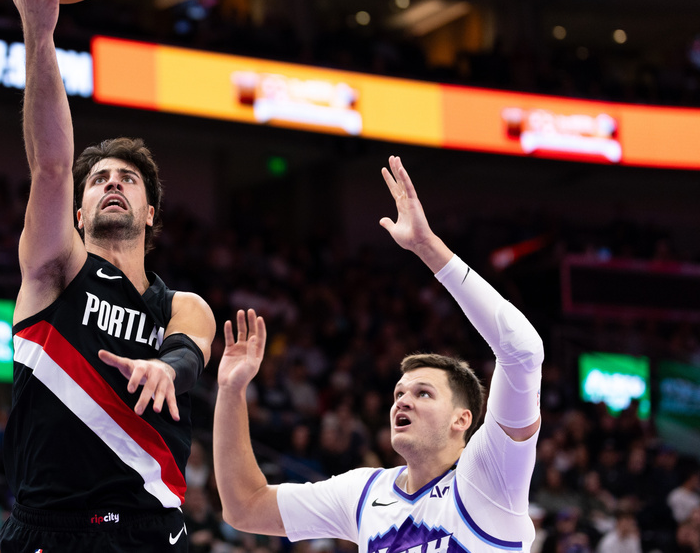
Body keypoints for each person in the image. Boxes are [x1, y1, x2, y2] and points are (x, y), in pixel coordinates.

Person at [0, 0, 216, 553]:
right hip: (52, 528)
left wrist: (163, 368)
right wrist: (40, 34)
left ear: (150, 213)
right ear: (79, 207)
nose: (112, 183)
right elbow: (49, 165)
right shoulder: (56, 271)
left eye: (128, 179)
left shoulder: (183, 306)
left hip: (151, 532)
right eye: (98, 180)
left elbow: (189, 352)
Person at [214, 156, 544, 552]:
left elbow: (522, 352)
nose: (402, 399)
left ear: (463, 419)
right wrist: (231, 393)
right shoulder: (364, 492)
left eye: (423, 393)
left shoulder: (489, 478)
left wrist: (428, 249)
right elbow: (245, 507)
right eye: (399, 393)